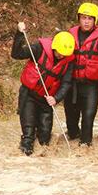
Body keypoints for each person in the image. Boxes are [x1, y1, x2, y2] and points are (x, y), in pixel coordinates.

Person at [11, 23, 75, 156]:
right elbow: (16, 54)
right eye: (59, 53)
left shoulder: (68, 61)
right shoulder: (39, 48)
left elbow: (66, 83)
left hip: (46, 99)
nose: (61, 56)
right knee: (28, 135)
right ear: (54, 46)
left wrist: (56, 98)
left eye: (64, 54)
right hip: (29, 95)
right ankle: (25, 156)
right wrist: (19, 34)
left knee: (44, 139)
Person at [65, 3, 98, 146]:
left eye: (90, 18)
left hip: (90, 86)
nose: (86, 21)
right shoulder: (70, 35)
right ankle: (73, 139)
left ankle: (86, 146)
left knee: (88, 118)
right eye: (84, 18)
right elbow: (58, 55)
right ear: (79, 19)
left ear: (95, 20)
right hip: (71, 85)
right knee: (71, 124)